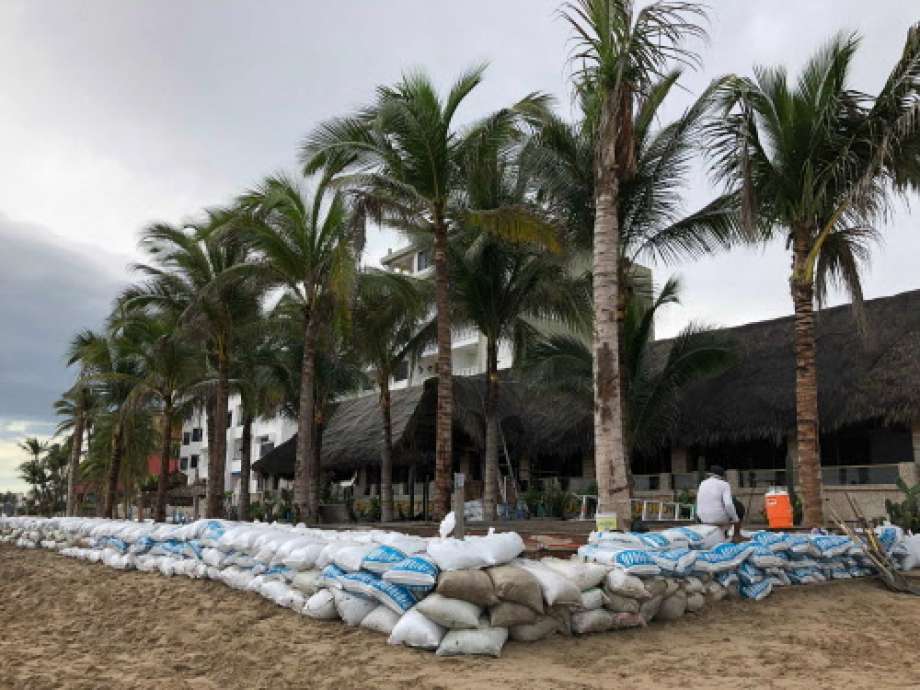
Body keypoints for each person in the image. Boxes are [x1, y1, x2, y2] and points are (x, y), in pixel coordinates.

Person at [695, 465, 744, 543]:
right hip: (718, 518)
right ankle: (736, 535)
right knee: (738, 505)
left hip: (702, 518)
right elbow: (728, 504)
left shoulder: (702, 483)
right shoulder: (724, 484)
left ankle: (724, 533)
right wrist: (736, 519)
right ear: (722, 475)